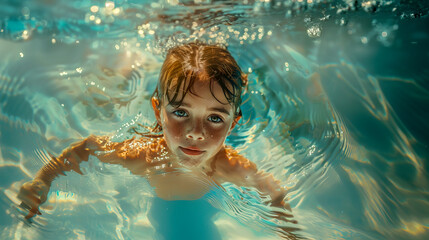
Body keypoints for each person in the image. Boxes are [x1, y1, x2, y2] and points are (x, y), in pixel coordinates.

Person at [18, 42, 296, 237]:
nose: (196, 132)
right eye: (180, 112)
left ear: (233, 124)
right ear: (158, 111)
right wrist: (43, 180)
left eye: (215, 118)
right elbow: (88, 148)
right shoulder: (143, 156)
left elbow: (274, 194)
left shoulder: (230, 167)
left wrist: (290, 233)